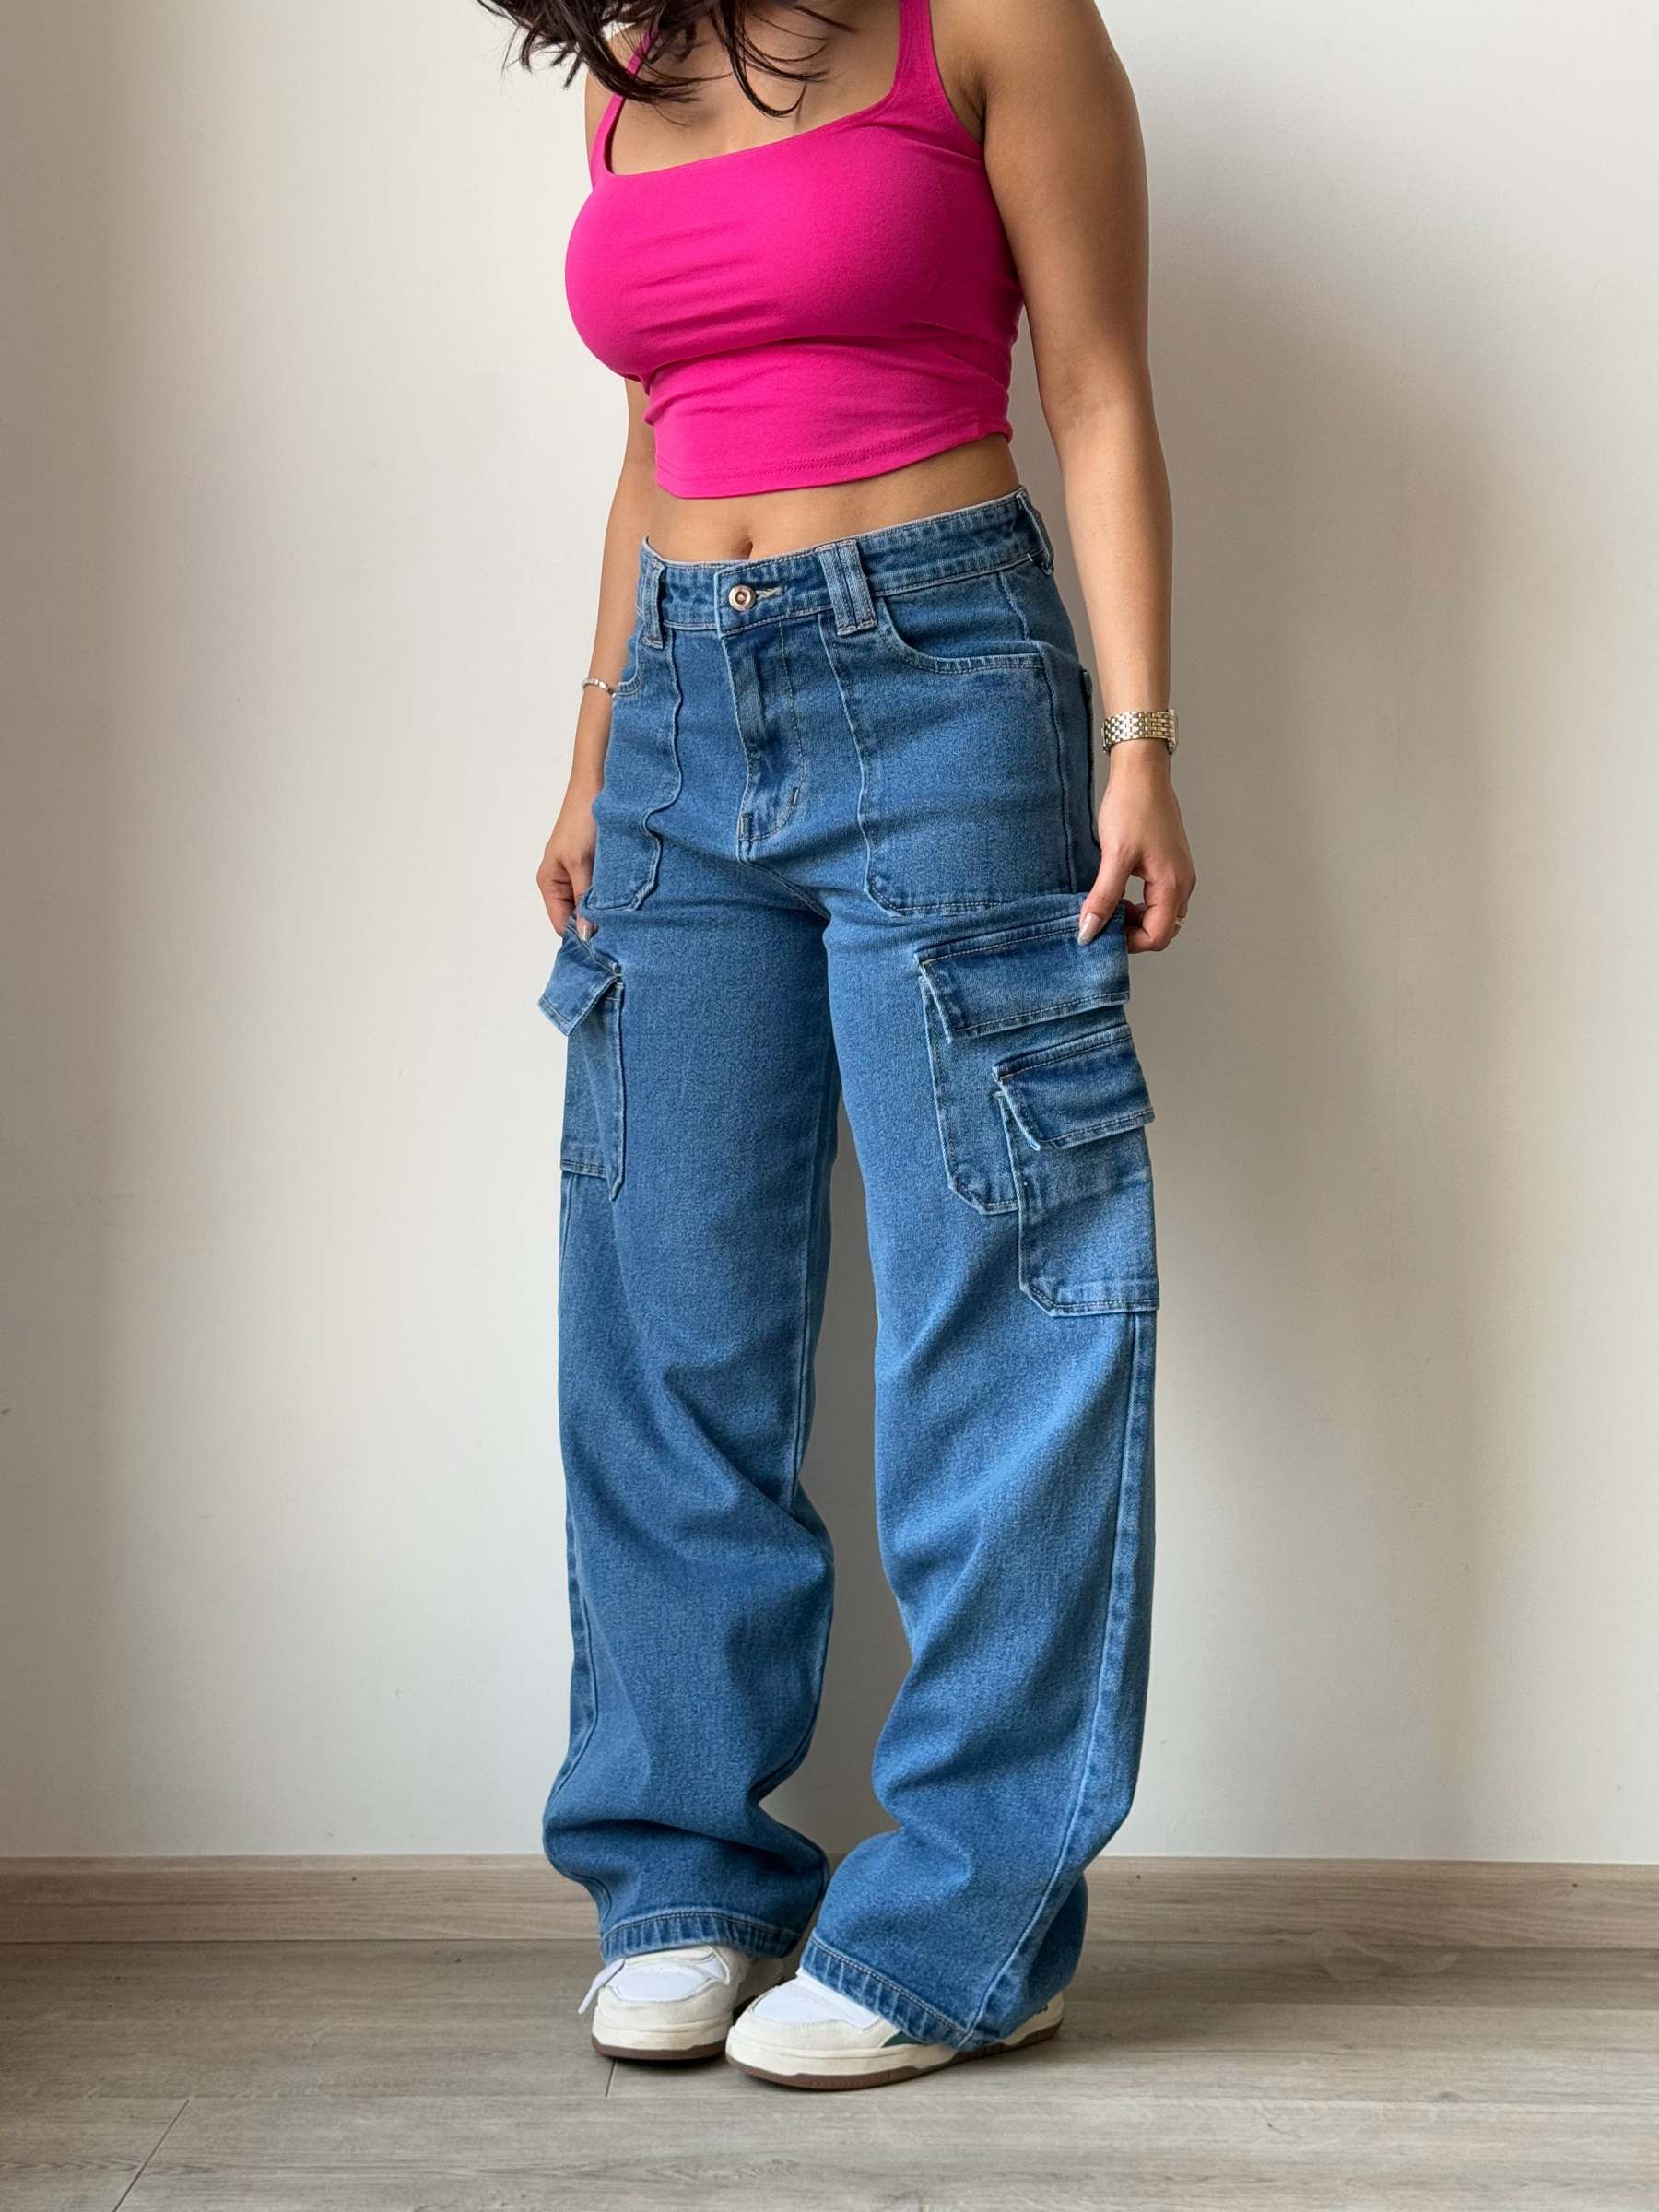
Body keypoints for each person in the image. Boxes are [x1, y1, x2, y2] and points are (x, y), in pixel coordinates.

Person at [492, 0, 1197, 2090]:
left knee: (1003, 1305)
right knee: (666, 1319)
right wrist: (594, 756)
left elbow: (1095, 385)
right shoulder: (628, 62)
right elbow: (653, 441)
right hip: (676, 722)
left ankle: (976, 1924)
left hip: (942, 676)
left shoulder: (987, 19)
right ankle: (684, 1877)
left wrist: (1142, 740)